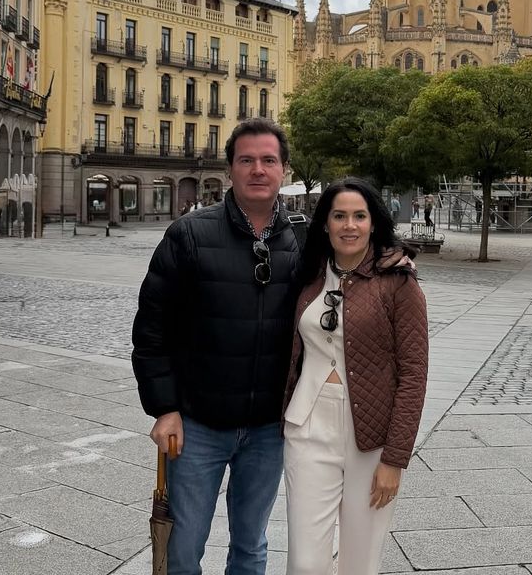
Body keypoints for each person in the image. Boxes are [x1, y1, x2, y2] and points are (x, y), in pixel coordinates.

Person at [132, 118, 308, 575]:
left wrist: (396, 260)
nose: (258, 170)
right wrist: (164, 409)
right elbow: (152, 327)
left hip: (268, 428)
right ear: (230, 169)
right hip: (197, 425)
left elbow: (357, 258)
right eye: (246, 160)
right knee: (183, 548)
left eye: (268, 160)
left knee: (251, 547)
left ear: (284, 169)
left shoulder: (303, 240)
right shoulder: (189, 234)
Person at [283, 177, 428, 575]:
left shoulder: (398, 281)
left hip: (372, 437)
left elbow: (414, 374)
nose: (349, 225)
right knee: (305, 562)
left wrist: (394, 459)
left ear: (373, 222)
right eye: (339, 216)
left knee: (359, 562)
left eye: (359, 216)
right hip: (307, 426)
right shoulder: (309, 274)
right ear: (324, 224)